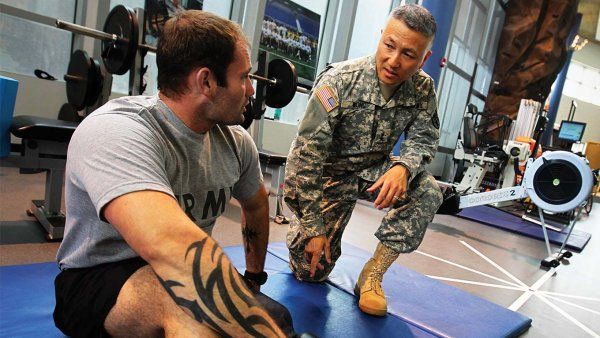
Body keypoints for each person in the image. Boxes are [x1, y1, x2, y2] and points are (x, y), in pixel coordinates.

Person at [53, 10, 288, 337]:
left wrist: (254, 280)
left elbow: (257, 205)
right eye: (244, 77)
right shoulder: (115, 130)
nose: (251, 90)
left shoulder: (235, 141)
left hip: (179, 267)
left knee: (276, 317)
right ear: (206, 81)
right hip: (97, 278)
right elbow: (171, 245)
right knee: (194, 317)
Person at [284, 4, 443, 317]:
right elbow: (305, 160)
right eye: (389, 46)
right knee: (310, 273)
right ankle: (303, 230)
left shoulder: (423, 88)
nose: (394, 62)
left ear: (424, 59)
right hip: (329, 175)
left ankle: (373, 275)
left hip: (375, 171)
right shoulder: (340, 81)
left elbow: (424, 137)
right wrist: (314, 226)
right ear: (380, 37)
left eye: (409, 55)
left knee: (428, 191)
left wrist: (404, 166)